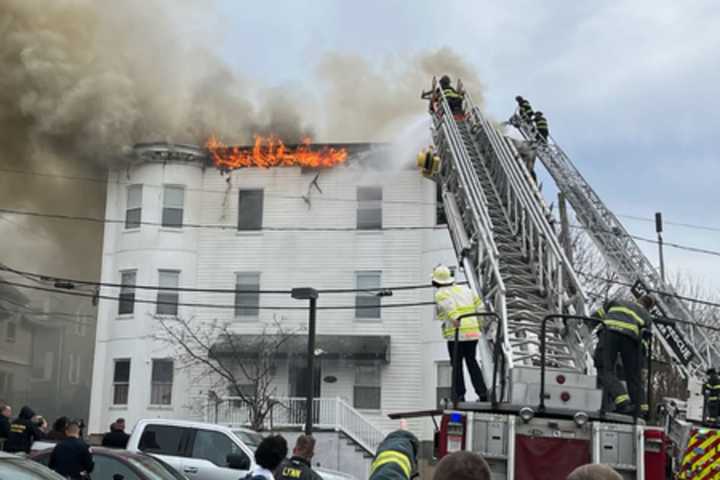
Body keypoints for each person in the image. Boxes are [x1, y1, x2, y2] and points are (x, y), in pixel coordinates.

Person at [433, 265, 488, 402]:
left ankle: (459, 395)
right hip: (472, 333)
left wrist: (455, 318)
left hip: (456, 334)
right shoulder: (465, 290)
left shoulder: (441, 293)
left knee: (456, 364)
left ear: (436, 281)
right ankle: (483, 393)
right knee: (472, 361)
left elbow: (448, 306)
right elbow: (480, 306)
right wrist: (481, 324)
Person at [592, 295, 654, 415]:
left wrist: (584, 325)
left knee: (605, 369)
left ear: (638, 300)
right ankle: (641, 407)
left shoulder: (617, 301)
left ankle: (622, 401)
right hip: (631, 339)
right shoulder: (646, 315)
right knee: (633, 376)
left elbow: (597, 315)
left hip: (608, 333)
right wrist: (640, 362)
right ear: (649, 308)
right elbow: (645, 340)